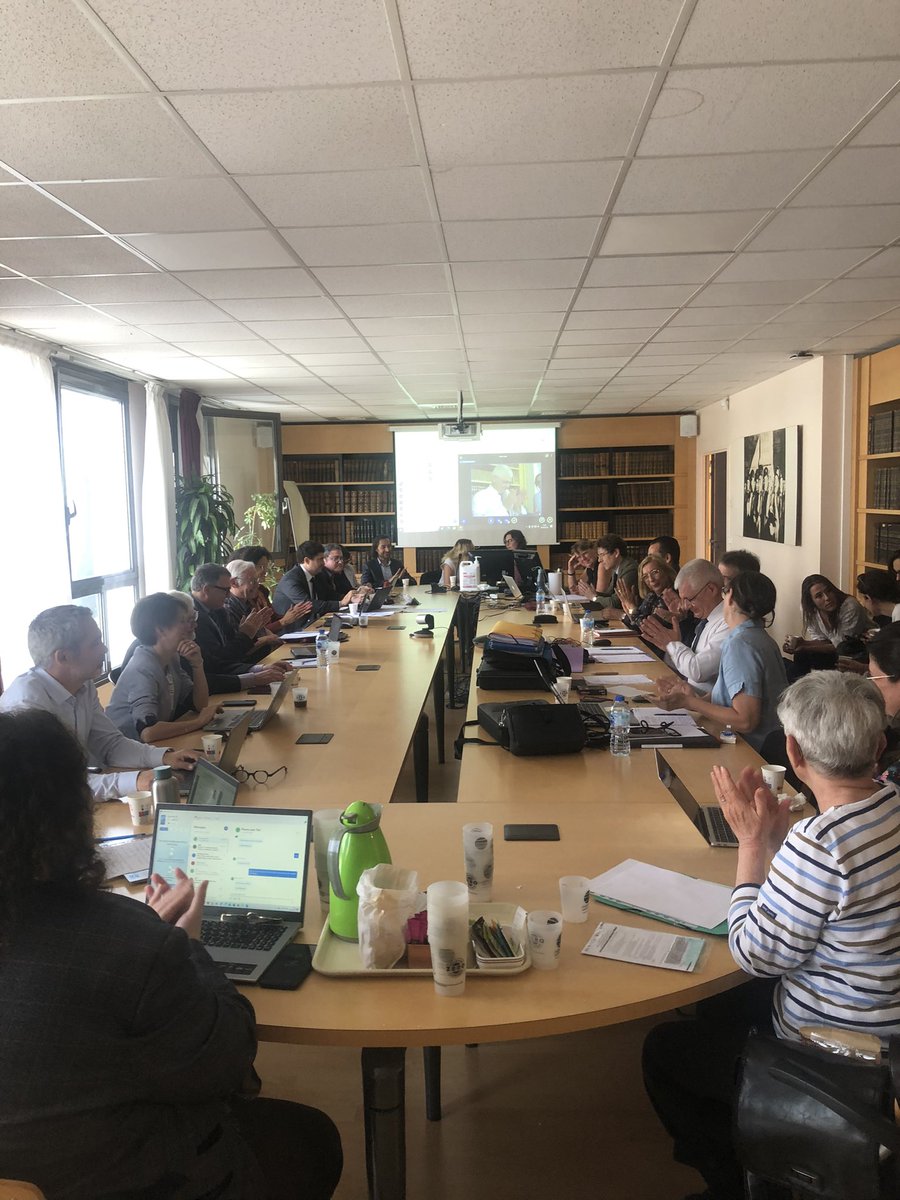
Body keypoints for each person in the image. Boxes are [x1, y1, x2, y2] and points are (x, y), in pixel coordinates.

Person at [0, 708, 343, 1200]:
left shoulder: (123, 941)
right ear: (72, 814)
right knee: (312, 1139)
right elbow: (228, 1059)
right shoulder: (130, 945)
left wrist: (145, 939)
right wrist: (188, 946)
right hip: (133, 1179)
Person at [643, 671, 900, 1200]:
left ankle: (736, 1180)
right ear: (879, 747)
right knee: (720, 1009)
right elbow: (849, 898)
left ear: (793, 753)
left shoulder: (821, 844)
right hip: (887, 1025)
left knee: (665, 1050)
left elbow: (753, 954)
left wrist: (752, 849)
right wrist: (785, 848)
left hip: (843, 1060)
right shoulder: (889, 803)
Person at [0, 605, 197, 800]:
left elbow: (111, 744)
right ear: (63, 656)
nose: (105, 648)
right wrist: (135, 780)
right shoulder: (26, 705)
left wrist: (164, 757)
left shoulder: (83, 685)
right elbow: (55, 783)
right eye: (95, 643)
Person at [657, 571, 787, 751]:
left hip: (748, 749)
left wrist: (690, 703)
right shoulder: (759, 637)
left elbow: (745, 720)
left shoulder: (741, 644)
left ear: (731, 597)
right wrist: (693, 696)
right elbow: (730, 695)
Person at [106, 592, 221, 742]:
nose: (190, 626)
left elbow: (199, 704)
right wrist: (198, 722)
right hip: (123, 757)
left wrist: (197, 665)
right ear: (160, 629)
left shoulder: (171, 657)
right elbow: (148, 733)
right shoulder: (143, 668)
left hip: (150, 749)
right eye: (183, 621)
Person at [641, 558, 728, 693]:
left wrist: (672, 645)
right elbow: (684, 667)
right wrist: (670, 644)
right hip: (693, 698)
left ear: (711, 589)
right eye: (683, 600)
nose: (686, 606)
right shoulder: (704, 621)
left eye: (689, 599)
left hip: (711, 708)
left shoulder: (727, 623)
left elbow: (697, 671)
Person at [192, 564, 280, 674]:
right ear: (207, 589)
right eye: (225, 590)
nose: (229, 595)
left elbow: (235, 653)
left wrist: (249, 633)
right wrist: (245, 635)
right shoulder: (192, 617)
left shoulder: (219, 611)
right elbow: (219, 661)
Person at [782, 573, 873, 672]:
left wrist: (804, 646)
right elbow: (823, 640)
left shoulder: (850, 607)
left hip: (859, 649)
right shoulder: (808, 610)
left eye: (829, 591)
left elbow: (841, 645)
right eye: (819, 596)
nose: (827, 598)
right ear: (811, 601)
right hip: (837, 649)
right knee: (801, 655)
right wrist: (801, 643)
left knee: (804, 654)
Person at [233, 546, 311, 633]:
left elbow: (273, 618)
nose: (265, 571)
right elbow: (255, 633)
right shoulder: (239, 599)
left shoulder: (262, 591)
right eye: (260, 566)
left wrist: (293, 614)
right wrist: (283, 621)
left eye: (265, 566)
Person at [224, 559, 302, 646]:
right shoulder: (227, 609)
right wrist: (266, 639)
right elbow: (237, 648)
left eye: (257, 580)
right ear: (234, 583)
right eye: (252, 581)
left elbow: (262, 630)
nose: (257, 585)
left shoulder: (247, 602)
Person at [615, 555, 677, 627]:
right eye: (645, 576)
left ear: (666, 571)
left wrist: (631, 608)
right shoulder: (652, 596)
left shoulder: (672, 595)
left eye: (655, 572)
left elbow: (648, 627)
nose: (651, 579)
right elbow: (635, 623)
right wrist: (630, 610)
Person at [592, 534, 638, 606]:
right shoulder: (616, 568)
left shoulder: (629, 569)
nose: (599, 560)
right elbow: (610, 594)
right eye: (599, 556)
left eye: (602, 555)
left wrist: (594, 597)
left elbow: (615, 602)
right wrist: (592, 593)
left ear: (616, 553)